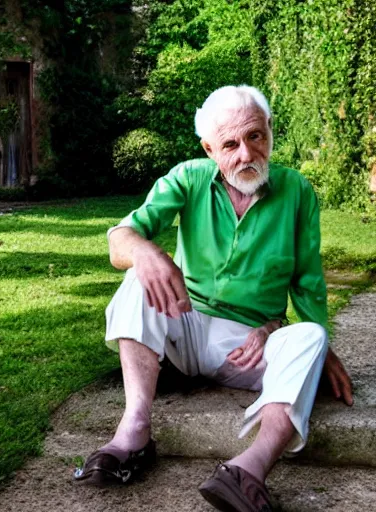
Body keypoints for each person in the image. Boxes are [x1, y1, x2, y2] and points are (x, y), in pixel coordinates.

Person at [74, 85, 353, 512]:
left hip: (246, 347)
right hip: (184, 324)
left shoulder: (297, 192)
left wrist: (322, 351)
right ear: (209, 148)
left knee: (310, 336)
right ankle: (134, 432)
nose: (245, 154)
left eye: (255, 137)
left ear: (270, 132)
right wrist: (145, 252)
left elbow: (308, 280)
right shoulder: (188, 177)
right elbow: (121, 239)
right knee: (137, 279)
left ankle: (247, 471)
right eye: (230, 144)